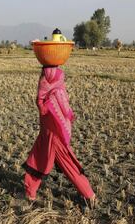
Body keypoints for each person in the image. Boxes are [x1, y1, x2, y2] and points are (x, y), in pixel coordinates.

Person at [22, 66, 96, 206]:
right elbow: (67, 112)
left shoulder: (45, 95)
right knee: (38, 163)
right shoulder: (59, 90)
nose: (42, 79)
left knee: (42, 163)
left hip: (53, 138)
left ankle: (89, 194)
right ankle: (30, 193)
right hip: (50, 136)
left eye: (43, 76)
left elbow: (43, 108)